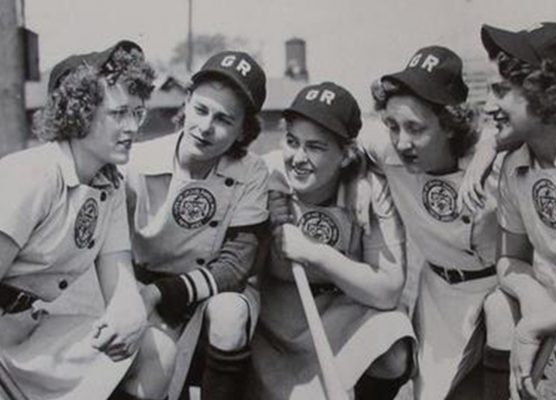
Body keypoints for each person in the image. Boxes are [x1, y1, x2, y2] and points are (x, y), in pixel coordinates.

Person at [0, 41, 155, 400]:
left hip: (27, 331)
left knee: (154, 351)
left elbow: (121, 286)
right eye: (118, 114)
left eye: (138, 113)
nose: (132, 126)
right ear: (79, 113)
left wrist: (130, 318)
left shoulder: (109, 183)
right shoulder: (34, 175)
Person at [112, 51, 269, 400]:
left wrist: (163, 294)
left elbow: (236, 263)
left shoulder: (252, 170)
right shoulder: (137, 162)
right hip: (147, 286)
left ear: (244, 130)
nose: (206, 127)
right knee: (151, 379)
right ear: (186, 103)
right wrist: (141, 297)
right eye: (200, 110)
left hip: (217, 288)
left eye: (224, 119)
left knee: (229, 314)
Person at [249, 81, 416, 400]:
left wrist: (316, 253)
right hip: (276, 324)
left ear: (345, 155)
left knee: (393, 347)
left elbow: (388, 289)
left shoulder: (368, 189)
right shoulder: (267, 173)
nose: (298, 157)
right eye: (292, 141)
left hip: (342, 316)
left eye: (315, 147)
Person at [460, 22, 556, 399]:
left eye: (501, 91)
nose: (488, 106)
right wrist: (533, 301)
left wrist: (539, 324)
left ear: (546, 92)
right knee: (500, 306)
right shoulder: (515, 163)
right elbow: (510, 260)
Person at [361, 45, 505, 399]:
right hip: (439, 294)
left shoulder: (491, 164)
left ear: (450, 125)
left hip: (498, 291)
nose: (402, 141)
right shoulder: (387, 149)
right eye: (393, 125)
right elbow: (333, 145)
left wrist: (489, 146)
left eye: (416, 128)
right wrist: (359, 180)